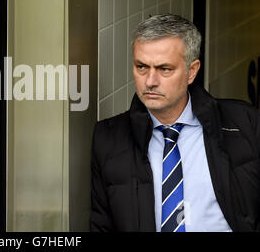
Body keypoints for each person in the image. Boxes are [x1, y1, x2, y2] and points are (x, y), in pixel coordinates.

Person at [91, 14, 260, 232]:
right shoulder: (108, 138)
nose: (150, 81)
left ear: (192, 71)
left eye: (164, 69)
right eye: (141, 67)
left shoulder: (246, 123)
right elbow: (101, 225)